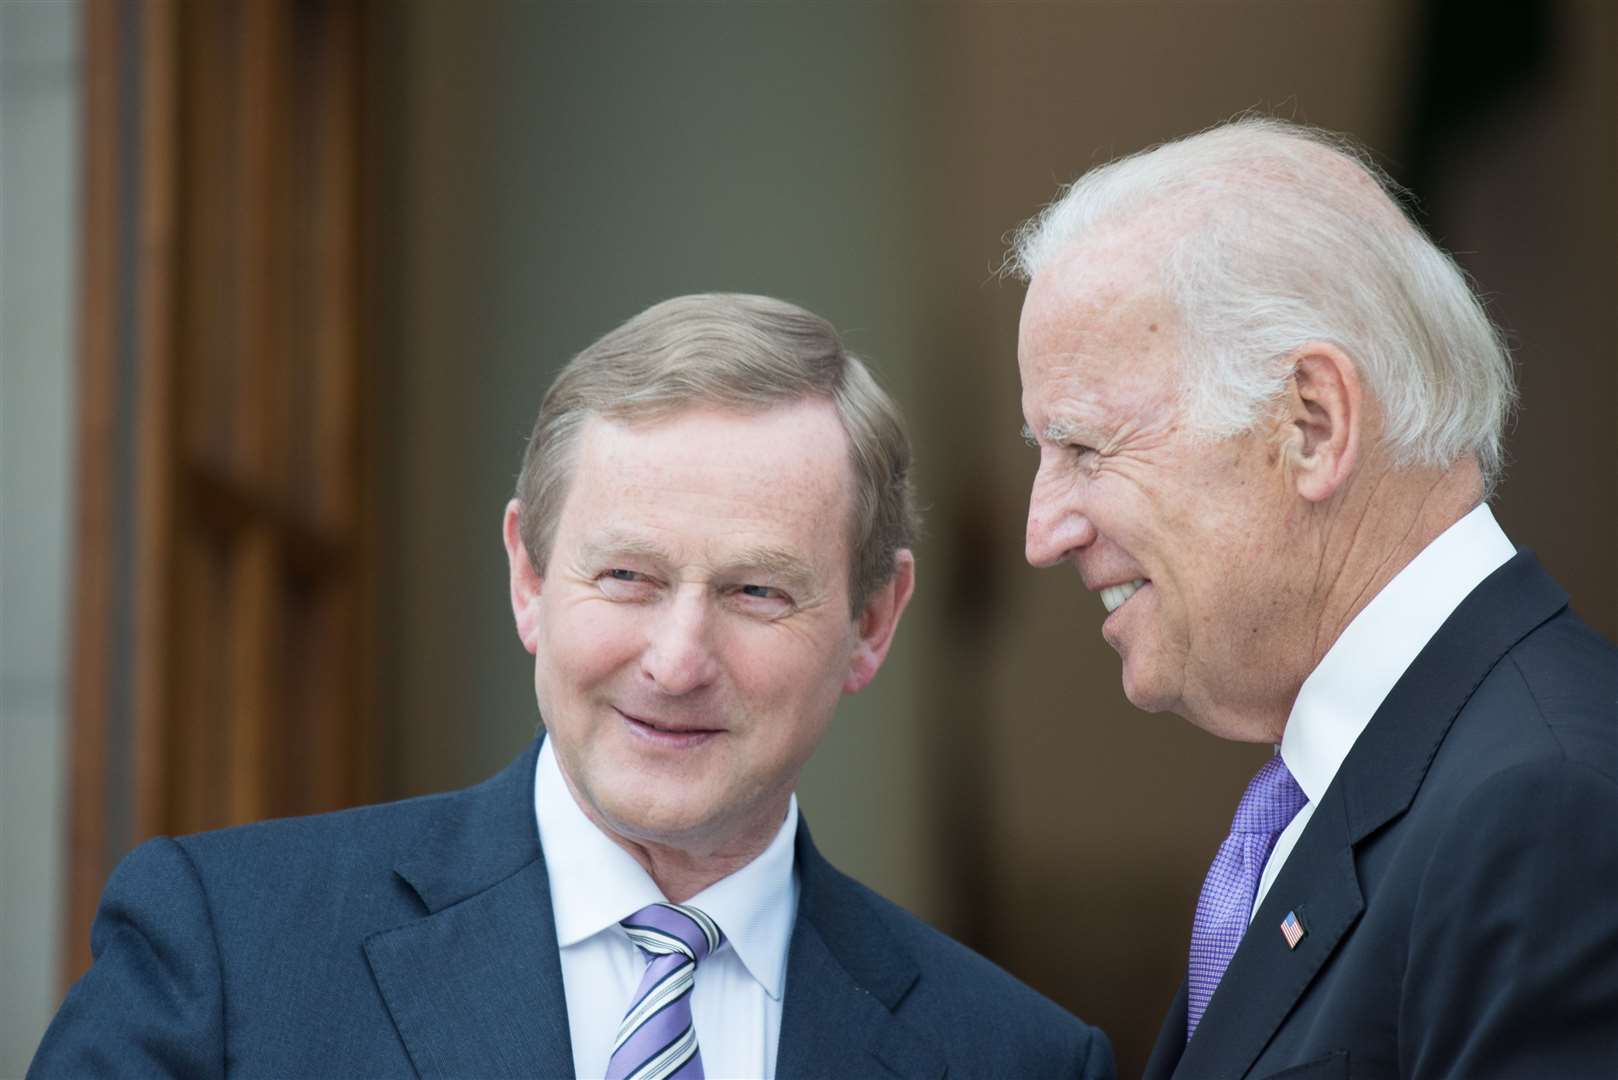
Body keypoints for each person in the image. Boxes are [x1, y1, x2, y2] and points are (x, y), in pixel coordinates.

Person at [33, 293, 1114, 1079]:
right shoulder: (229, 951)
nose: (678, 660)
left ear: (873, 621)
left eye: (752, 591)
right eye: (628, 577)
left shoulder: (1013, 1057)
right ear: (529, 578)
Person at [1010, 119, 1617, 1078]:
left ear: (1312, 423)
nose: (1044, 531)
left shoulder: (1548, 812)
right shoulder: (1390, 783)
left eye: (1085, 447)